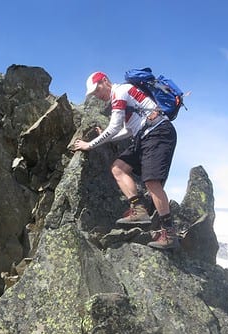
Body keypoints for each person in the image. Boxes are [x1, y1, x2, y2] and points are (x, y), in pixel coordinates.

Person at [72, 71, 178, 249]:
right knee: (118, 168)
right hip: (144, 135)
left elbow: (114, 127)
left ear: (105, 81)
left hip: (158, 132)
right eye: (94, 94)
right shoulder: (122, 95)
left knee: (152, 182)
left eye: (97, 90)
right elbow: (128, 131)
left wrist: (89, 145)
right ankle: (139, 209)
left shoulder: (120, 91)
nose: (97, 95)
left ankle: (169, 233)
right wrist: (105, 138)